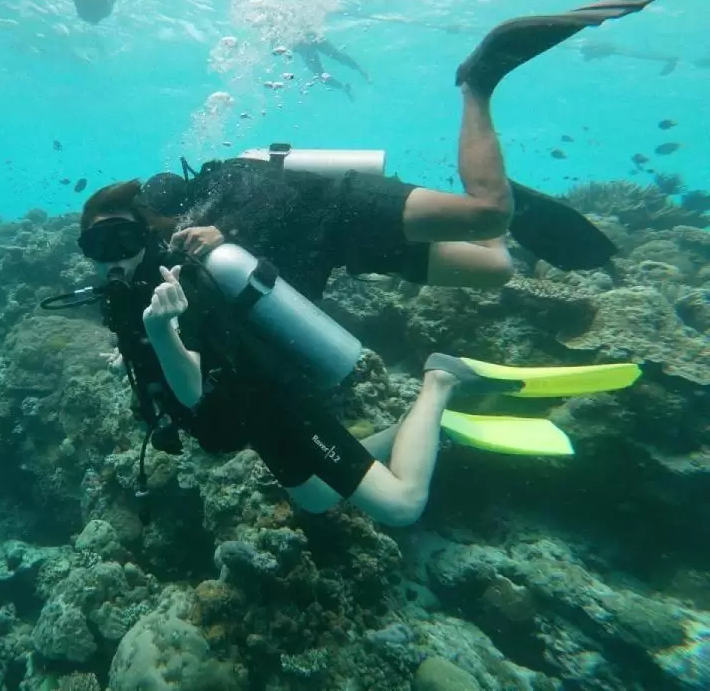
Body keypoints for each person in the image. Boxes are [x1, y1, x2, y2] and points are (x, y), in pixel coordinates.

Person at [60, 180, 640, 526]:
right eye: (98, 246)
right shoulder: (124, 297)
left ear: (147, 235)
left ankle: (440, 379)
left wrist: (162, 332)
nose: (113, 258)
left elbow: (192, 388)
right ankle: (423, 427)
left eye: (124, 240)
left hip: (272, 405)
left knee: (400, 505)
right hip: (246, 422)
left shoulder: (182, 285)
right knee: (314, 501)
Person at [141, 0, 701, 299]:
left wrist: (223, 237)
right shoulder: (196, 225)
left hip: (350, 209)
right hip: (354, 247)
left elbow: (267, 225)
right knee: (496, 269)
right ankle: (494, 190)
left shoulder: (221, 189)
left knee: (489, 214)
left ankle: (477, 83)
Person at [291, 30, 370, 99]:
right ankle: (361, 70)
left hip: (300, 44)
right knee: (336, 54)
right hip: (310, 33)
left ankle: (343, 88)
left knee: (319, 73)